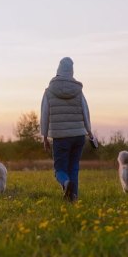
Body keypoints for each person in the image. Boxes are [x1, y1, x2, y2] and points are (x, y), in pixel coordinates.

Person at [40, 57, 96, 202]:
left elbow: (44, 114)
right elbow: (85, 110)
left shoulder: (49, 91)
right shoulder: (78, 91)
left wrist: (44, 136)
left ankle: (66, 184)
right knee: (73, 168)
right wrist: (89, 131)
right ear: (71, 71)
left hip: (60, 136)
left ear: (58, 70)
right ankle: (73, 199)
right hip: (78, 135)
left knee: (60, 170)